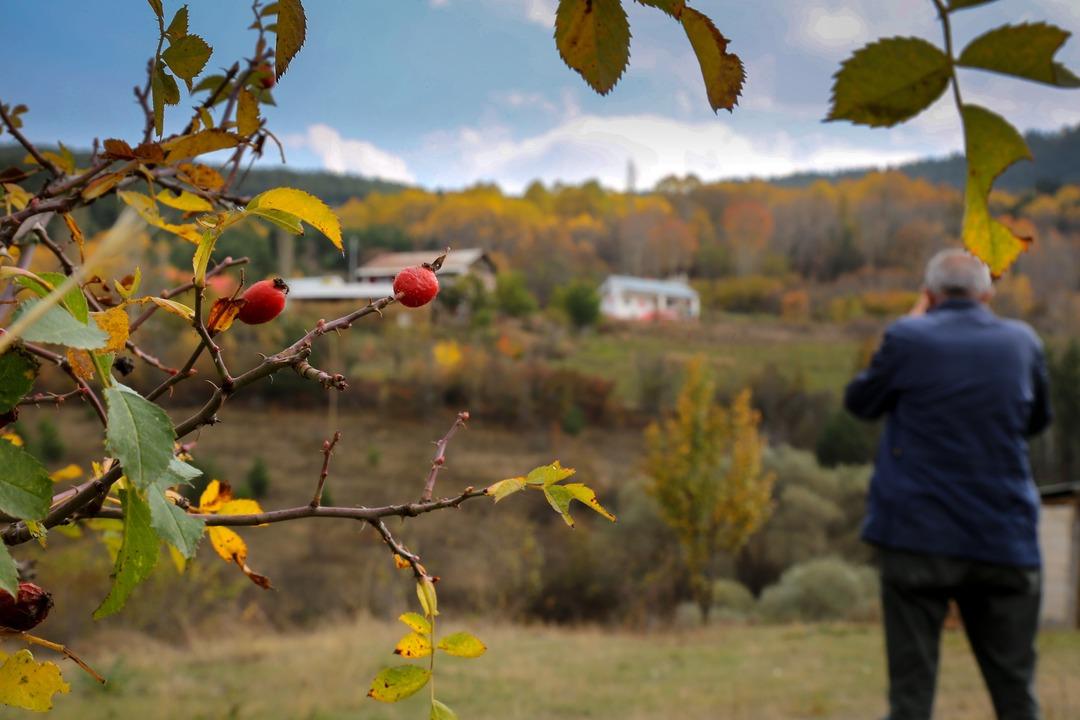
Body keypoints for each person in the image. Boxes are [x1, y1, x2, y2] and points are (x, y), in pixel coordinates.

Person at [844, 248, 1052, 720]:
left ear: (928, 296)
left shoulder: (907, 336)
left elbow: (861, 401)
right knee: (1016, 691)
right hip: (1003, 538)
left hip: (917, 539)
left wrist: (908, 322)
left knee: (911, 696)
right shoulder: (1023, 342)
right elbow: (1037, 421)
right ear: (988, 295)